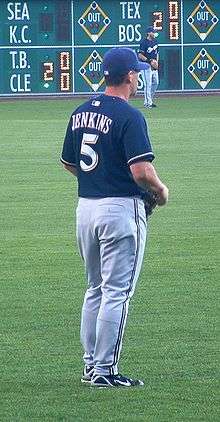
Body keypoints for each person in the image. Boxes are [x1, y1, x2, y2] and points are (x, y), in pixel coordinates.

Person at [60, 47, 169, 388]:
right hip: (120, 209)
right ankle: (105, 370)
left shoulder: (79, 112)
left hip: (86, 208)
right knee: (117, 292)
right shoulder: (129, 115)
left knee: (94, 288)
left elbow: (67, 161)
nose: (138, 76)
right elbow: (141, 171)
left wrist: (97, 179)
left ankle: (91, 365)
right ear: (130, 76)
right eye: (136, 72)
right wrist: (162, 191)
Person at [138, 26, 159, 108]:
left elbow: (157, 53)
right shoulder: (144, 42)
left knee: (156, 83)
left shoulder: (155, 42)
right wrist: (149, 61)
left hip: (154, 65)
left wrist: (156, 63)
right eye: (153, 32)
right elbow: (140, 55)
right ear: (148, 33)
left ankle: (150, 100)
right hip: (145, 66)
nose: (154, 33)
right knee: (148, 84)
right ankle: (147, 103)